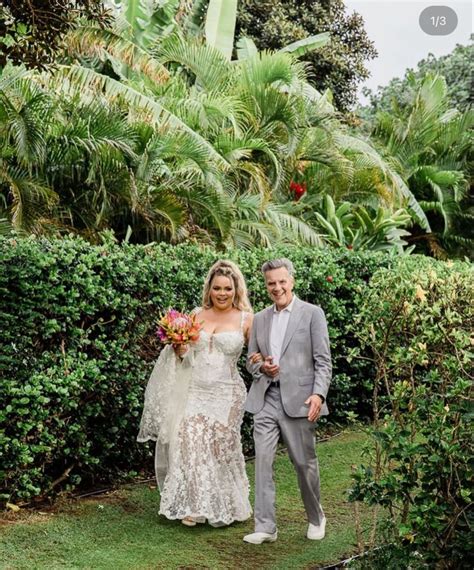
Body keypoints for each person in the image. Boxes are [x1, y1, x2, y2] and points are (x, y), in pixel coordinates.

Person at [137, 260, 253, 527]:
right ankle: (194, 505)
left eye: (227, 288)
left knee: (218, 447)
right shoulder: (196, 315)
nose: (222, 294)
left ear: (236, 289)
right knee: (188, 440)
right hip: (195, 389)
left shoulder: (247, 319)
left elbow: (254, 358)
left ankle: (225, 505)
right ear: (209, 289)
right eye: (217, 288)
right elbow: (185, 357)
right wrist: (179, 350)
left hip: (227, 392)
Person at [243, 258, 332, 544]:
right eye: (271, 283)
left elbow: (323, 361)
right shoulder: (259, 318)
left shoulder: (312, 314)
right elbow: (250, 361)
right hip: (266, 397)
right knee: (263, 462)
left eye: (282, 281)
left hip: (301, 400)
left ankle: (316, 517)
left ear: (291, 281)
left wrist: (318, 394)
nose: (277, 287)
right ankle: (266, 526)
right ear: (266, 285)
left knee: (304, 463)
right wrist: (261, 367)